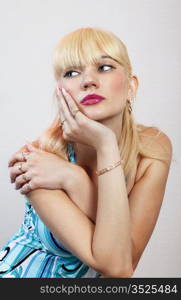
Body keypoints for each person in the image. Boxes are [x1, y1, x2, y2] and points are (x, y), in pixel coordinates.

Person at [0, 27, 172, 278]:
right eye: (72, 72)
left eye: (104, 67)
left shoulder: (152, 147)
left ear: (131, 86)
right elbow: (117, 268)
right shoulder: (40, 158)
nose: (88, 80)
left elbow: (126, 260)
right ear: (60, 91)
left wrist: (80, 172)